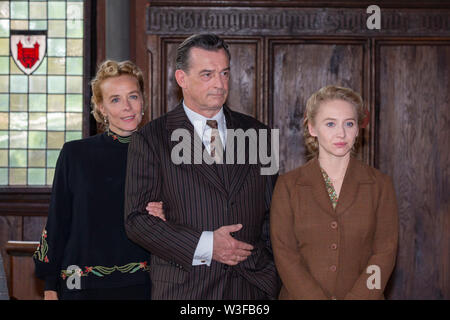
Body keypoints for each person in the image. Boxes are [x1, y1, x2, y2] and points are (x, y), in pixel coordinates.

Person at [124, 34, 280, 299]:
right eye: (207, 74)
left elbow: (273, 216)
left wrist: (272, 276)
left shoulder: (259, 134)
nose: (220, 84)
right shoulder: (151, 138)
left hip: (251, 288)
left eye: (224, 73)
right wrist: (207, 245)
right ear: (182, 78)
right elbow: (137, 222)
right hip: (187, 288)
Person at [33, 60, 163, 300]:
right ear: (101, 108)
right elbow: (58, 220)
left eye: (133, 96)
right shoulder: (75, 154)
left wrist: (168, 213)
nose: (127, 107)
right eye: (115, 99)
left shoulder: (162, 155)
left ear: (143, 101)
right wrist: (50, 285)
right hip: (80, 285)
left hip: (144, 284)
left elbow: (189, 216)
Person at [270, 85, 398, 300]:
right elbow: (285, 255)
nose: (341, 133)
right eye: (330, 124)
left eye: (349, 123)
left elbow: (384, 255)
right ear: (312, 128)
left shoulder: (380, 185)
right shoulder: (288, 186)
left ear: (358, 129)